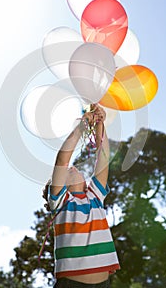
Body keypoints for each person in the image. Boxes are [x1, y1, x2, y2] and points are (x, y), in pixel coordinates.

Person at [42, 104, 120, 288]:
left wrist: (101, 125)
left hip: (104, 284)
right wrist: (81, 127)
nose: (73, 167)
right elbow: (62, 159)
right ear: (62, 188)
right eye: (69, 171)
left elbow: (103, 158)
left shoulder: (94, 196)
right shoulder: (61, 203)